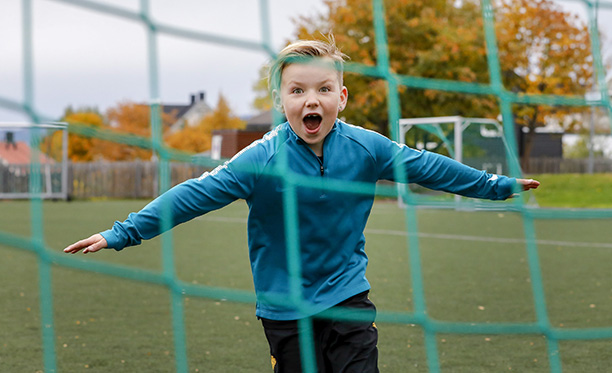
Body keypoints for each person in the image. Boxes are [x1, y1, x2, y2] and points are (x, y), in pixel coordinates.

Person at [64, 37, 540, 372]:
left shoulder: (368, 148)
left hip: (347, 296)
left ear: (341, 96)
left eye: (323, 89)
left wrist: (498, 185)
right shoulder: (260, 159)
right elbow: (190, 197)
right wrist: (121, 233)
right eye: (298, 91)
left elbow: (431, 167)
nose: (311, 100)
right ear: (281, 101)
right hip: (284, 307)